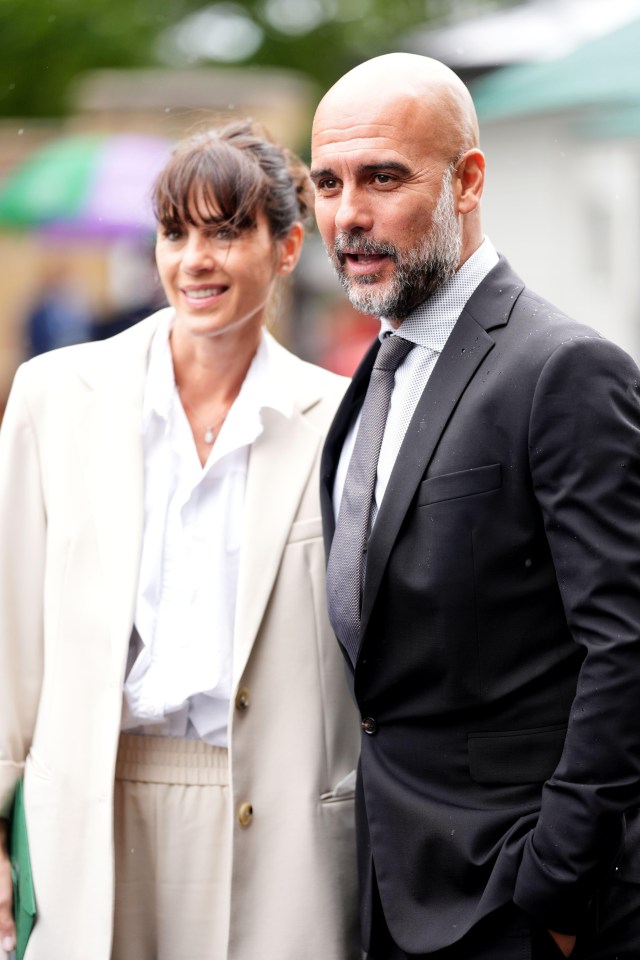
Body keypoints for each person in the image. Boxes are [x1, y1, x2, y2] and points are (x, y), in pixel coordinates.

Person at [0, 119, 360, 960]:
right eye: (175, 233)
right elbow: (9, 637)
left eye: (228, 232)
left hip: (275, 826)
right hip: (90, 810)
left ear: (285, 248)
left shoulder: (341, 421)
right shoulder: (57, 396)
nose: (194, 259)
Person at [311, 52, 640, 960]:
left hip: (518, 900)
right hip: (389, 888)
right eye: (327, 182)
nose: (348, 215)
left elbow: (626, 649)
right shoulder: (374, 372)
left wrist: (557, 889)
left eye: (383, 177)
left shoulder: (563, 369)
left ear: (467, 180)